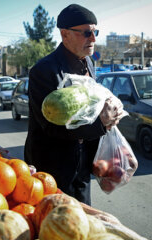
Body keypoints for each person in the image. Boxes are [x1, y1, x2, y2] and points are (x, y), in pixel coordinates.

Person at [24, 4, 123, 205]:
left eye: (95, 32)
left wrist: (110, 111)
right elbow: (51, 127)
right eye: (87, 33)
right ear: (65, 34)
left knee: (83, 221)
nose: (93, 39)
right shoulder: (44, 71)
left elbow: (89, 106)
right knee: (57, 224)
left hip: (83, 165)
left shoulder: (89, 63)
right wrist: (101, 124)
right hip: (53, 167)